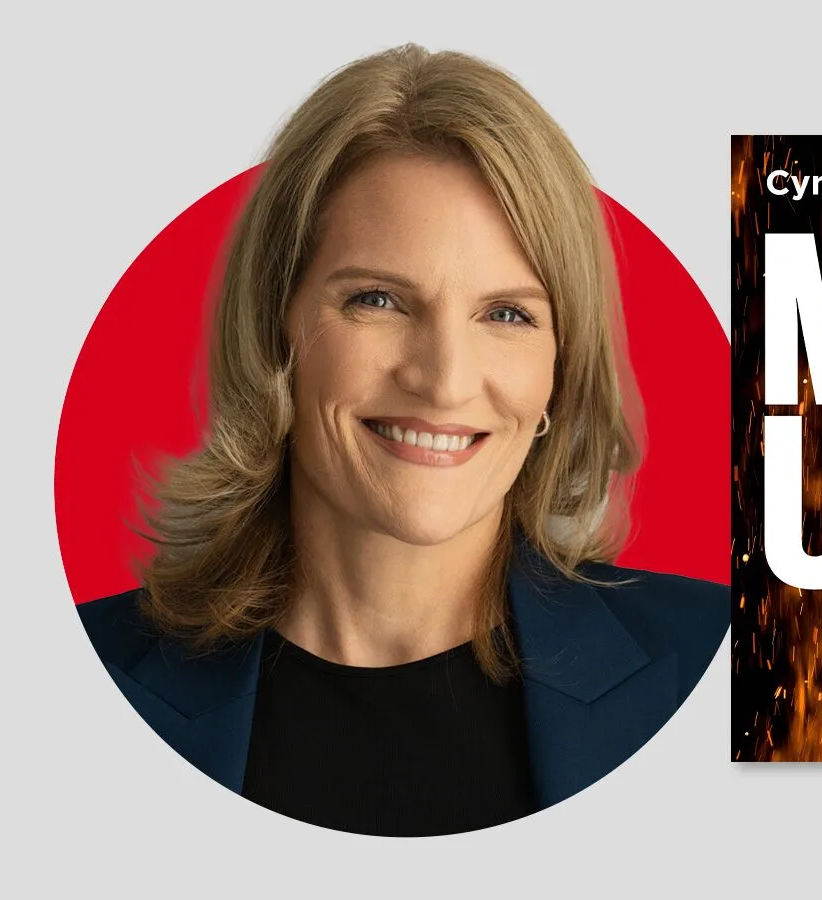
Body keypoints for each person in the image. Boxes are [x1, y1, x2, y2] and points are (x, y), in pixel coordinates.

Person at [75, 44, 726, 837]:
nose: (445, 380)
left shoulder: (731, 667)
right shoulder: (80, 678)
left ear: (559, 369)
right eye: (378, 299)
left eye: (508, 314)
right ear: (276, 325)